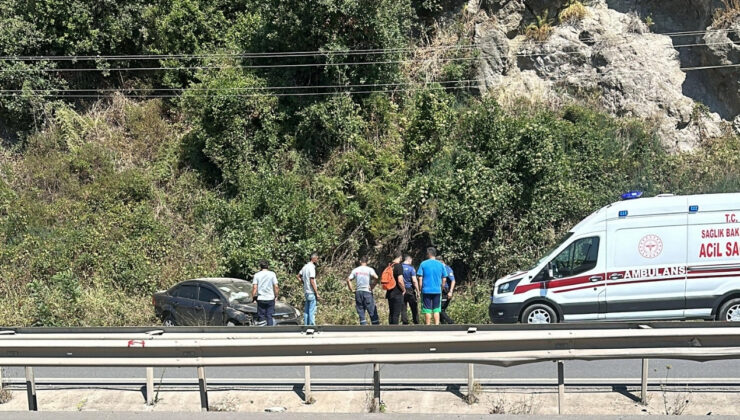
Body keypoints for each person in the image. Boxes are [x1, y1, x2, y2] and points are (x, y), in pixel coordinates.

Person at [417, 247, 447, 325]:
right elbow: (444, 278)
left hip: (426, 290)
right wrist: (441, 287)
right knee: (436, 309)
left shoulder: (423, 264)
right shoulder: (440, 264)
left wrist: (420, 289)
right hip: (437, 290)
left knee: (427, 310)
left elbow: (420, 278)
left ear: (428, 254)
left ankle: (428, 326)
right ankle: (436, 326)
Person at [347, 256, 380, 325]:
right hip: (367, 292)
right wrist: (372, 286)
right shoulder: (369, 269)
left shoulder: (355, 270)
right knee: (371, 309)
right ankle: (376, 326)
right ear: (367, 262)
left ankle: (363, 326)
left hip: (358, 292)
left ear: (360, 261)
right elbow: (376, 277)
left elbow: (348, 280)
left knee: (360, 310)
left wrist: (352, 289)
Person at [252, 260, 279, 326]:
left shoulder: (257, 275)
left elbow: (255, 287)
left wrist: (253, 298)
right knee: (269, 316)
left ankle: (262, 331)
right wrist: (276, 296)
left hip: (261, 298)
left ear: (260, 267)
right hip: (270, 298)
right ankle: (270, 331)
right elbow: (276, 286)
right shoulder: (272, 274)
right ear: (268, 266)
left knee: (261, 316)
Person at [297, 253, 321, 325]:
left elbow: (298, 276)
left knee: (306, 310)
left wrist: (304, 283)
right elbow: (312, 280)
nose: (317, 260)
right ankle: (312, 326)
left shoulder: (305, 267)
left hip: (306, 292)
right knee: (312, 310)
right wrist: (316, 293)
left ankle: (306, 325)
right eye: (317, 258)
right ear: (313, 259)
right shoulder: (311, 267)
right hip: (311, 292)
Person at [385, 251, 406, 324]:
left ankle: (390, 329)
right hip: (397, 293)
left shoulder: (389, 266)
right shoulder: (399, 266)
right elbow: (400, 280)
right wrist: (403, 289)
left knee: (391, 312)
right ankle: (394, 330)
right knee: (396, 314)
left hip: (389, 291)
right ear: (400, 257)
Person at [401, 255, 420, 325]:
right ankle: (416, 322)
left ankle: (404, 322)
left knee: (403, 307)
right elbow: (414, 281)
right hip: (410, 289)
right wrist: (418, 291)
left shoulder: (399, 267)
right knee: (414, 307)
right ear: (409, 260)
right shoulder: (411, 268)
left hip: (401, 289)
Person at [439, 259, 456, 325]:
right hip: (440, 290)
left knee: (440, 309)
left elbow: (453, 281)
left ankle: (451, 322)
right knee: (439, 309)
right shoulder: (440, 269)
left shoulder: (447, 269)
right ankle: (442, 324)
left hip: (446, 291)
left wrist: (450, 291)